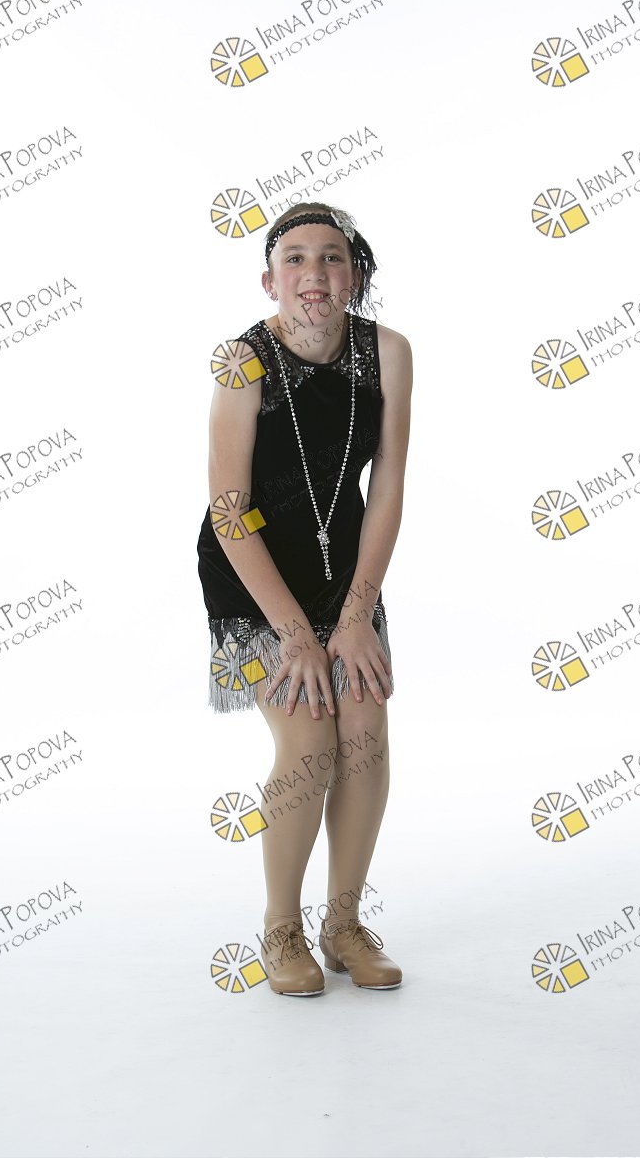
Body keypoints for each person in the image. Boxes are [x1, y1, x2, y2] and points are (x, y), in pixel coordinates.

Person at [196, 201, 412, 996]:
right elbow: (229, 510)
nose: (313, 273)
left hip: (343, 572)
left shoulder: (388, 352)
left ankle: (344, 924)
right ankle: (281, 929)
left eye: (331, 257)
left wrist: (354, 618)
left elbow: (387, 488)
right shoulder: (241, 362)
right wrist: (293, 632)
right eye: (295, 258)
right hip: (251, 573)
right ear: (269, 280)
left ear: (354, 274)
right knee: (312, 738)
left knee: (365, 733)